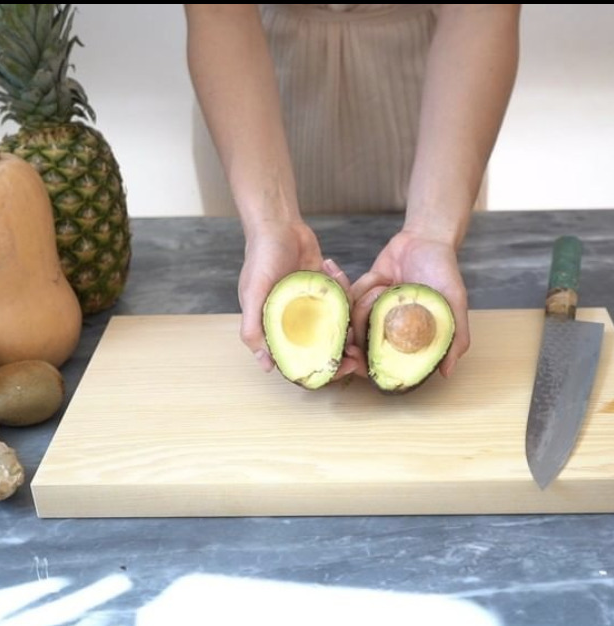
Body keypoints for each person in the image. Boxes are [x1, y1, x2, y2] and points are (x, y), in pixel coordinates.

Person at [184, 4, 520, 380]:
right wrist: (269, 224)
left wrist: (432, 232)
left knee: (434, 265)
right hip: (252, 86)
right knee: (259, 269)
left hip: (438, 89)